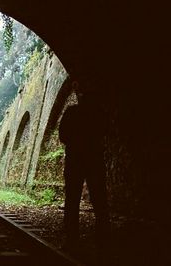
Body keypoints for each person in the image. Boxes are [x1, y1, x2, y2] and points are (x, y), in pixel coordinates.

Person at [59, 81, 109, 251]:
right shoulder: (99, 113)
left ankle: (71, 239)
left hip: (75, 161)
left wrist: (76, 142)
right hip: (94, 160)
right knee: (100, 200)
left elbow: (63, 136)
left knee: (72, 200)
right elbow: (105, 131)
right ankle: (103, 238)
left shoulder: (72, 112)